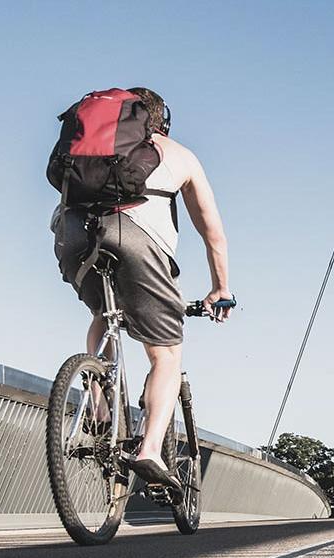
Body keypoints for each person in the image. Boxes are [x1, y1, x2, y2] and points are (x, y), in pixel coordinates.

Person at [52, 87, 232, 487]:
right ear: (161, 119)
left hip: (72, 233)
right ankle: (150, 449)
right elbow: (214, 235)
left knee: (104, 313)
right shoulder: (180, 155)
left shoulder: (93, 148)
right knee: (166, 353)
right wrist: (221, 288)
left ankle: (97, 407)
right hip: (136, 239)